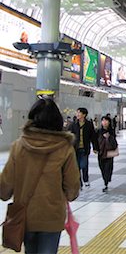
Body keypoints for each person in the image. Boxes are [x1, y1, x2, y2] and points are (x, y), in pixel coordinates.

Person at [0, 98, 80, 254]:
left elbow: (5, 187)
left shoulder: (19, 146)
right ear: (57, 120)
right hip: (52, 217)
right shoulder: (65, 148)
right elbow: (72, 188)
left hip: (25, 216)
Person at [70, 107, 96, 189]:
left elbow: (93, 137)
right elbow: (69, 135)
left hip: (85, 148)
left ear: (84, 115)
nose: (77, 114)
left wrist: (95, 147)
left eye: (79, 113)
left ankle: (86, 179)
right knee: (77, 166)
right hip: (75, 149)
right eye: (77, 112)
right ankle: (79, 183)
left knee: (84, 165)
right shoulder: (73, 124)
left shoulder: (89, 124)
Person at [94, 116, 118, 192]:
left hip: (109, 152)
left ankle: (106, 182)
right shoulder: (99, 131)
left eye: (106, 120)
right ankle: (106, 179)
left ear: (109, 122)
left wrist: (109, 137)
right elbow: (95, 141)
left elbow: (114, 142)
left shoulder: (112, 131)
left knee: (108, 167)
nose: (104, 122)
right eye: (103, 120)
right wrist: (95, 149)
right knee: (102, 167)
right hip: (101, 153)